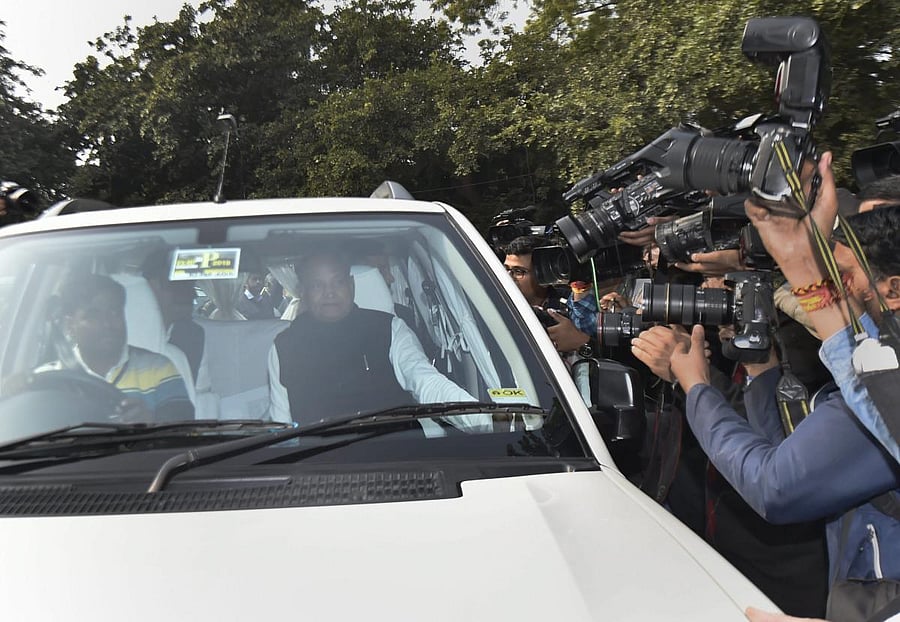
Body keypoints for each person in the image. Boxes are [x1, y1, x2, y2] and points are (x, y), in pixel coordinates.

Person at [266, 251, 492, 435]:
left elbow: (426, 381)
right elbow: (282, 425)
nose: (330, 293)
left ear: (352, 285)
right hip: (321, 467)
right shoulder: (284, 347)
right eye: (318, 285)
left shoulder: (390, 329)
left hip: (395, 456)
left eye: (338, 282)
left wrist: (484, 420)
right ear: (303, 292)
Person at [39, 273, 194, 423]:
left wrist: (151, 420)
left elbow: (187, 429)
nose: (108, 324)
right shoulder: (50, 379)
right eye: (93, 315)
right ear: (70, 325)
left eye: (114, 313)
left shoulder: (158, 369)